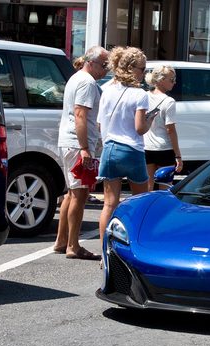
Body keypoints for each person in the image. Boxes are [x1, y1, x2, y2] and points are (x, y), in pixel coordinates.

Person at [53, 45, 108, 261]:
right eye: (104, 65)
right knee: (79, 193)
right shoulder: (87, 82)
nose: (106, 69)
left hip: (73, 142)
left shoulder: (78, 78)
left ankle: (61, 240)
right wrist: (85, 148)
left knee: (72, 192)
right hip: (78, 143)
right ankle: (73, 245)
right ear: (91, 63)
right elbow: (80, 115)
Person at [97, 46, 152, 245]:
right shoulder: (140, 94)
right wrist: (150, 120)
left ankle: (105, 251)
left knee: (109, 204)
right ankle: (138, 245)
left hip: (110, 148)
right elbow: (140, 128)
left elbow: (100, 123)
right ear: (131, 68)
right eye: (142, 69)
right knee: (140, 203)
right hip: (132, 150)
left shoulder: (107, 90)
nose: (144, 73)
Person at [144, 65, 182, 191]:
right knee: (164, 187)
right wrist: (178, 156)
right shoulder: (169, 101)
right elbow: (170, 130)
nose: (174, 82)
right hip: (164, 148)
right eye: (172, 79)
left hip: (146, 146)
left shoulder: (144, 96)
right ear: (161, 80)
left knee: (147, 186)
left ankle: (147, 210)